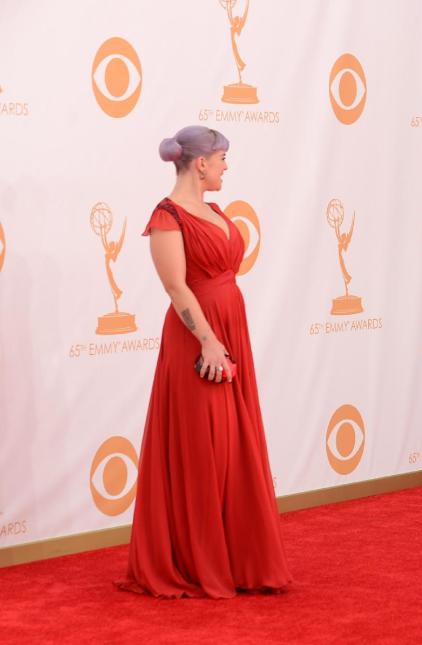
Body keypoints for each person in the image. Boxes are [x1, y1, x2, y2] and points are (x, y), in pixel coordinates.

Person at [117, 126, 292, 598]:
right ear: (200, 163)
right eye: (221, 158)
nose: (226, 167)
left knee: (233, 445)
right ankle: (197, 560)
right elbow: (177, 287)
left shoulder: (215, 211)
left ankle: (238, 561)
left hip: (230, 330)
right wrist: (209, 342)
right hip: (198, 341)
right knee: (204, 448)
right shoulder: (166, 217)